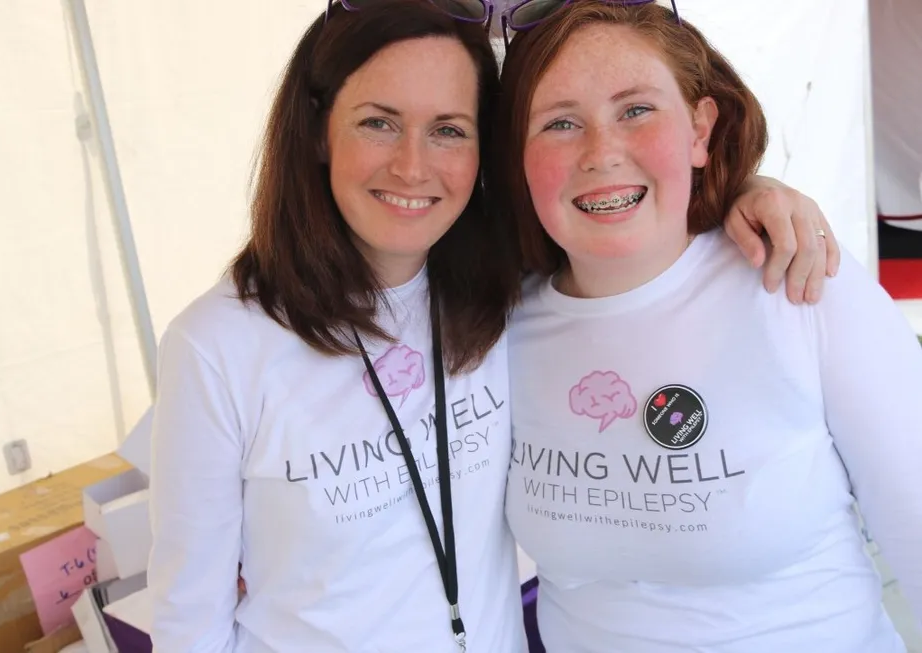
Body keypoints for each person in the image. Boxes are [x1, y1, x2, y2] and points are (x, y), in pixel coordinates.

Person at [147, 1, 842, 651]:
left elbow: (623, 224)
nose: (413, 165)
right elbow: (189, 613)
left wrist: (746, 190)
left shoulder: (502, 292)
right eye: (378, 121)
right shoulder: (217, 346)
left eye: (449, 129)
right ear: (319, 129)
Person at [497, 2, 922, 652]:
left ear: (700, 128)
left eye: (635, 110)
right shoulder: (498, 328)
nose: (600, 152)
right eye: (558, 122)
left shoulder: (797, 279)